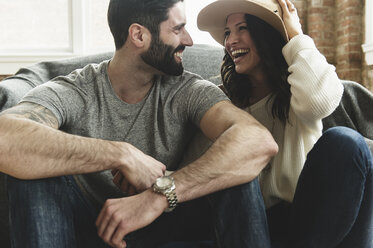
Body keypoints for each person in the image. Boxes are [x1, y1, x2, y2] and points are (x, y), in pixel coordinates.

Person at [0, 0, 278, 247]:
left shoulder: (187, 89)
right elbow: (5, 137)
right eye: (178, 29)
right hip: (89, 223)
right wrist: (121, 154)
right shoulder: (78, 89)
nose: (189, 40)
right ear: (139, 35)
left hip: (168, 219)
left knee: (238, 175)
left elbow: (258, 141)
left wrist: (160, 193)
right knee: (32, 173)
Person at [197, 0, 373, 247]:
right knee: (234, 172)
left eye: (242, 28)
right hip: (251, 224)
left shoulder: (299, 91)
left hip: (313, 220)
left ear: (267, 33)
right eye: (227, 32)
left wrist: (295, 34)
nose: (230, 41)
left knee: (347, 142)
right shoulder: (223, 104)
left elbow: (319, 101)